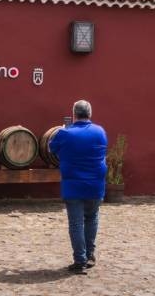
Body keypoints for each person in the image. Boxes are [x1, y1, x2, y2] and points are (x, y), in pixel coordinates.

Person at [49, 99, 108, 274]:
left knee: (76, 223)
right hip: (95, 184)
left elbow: (51, 148)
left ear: (74, 114)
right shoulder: (100, 131)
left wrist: (63, 131)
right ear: (89, 114)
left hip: (73, 185)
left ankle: (80, 260)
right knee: (92, 218)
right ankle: (90, 255)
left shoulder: (65, 133)